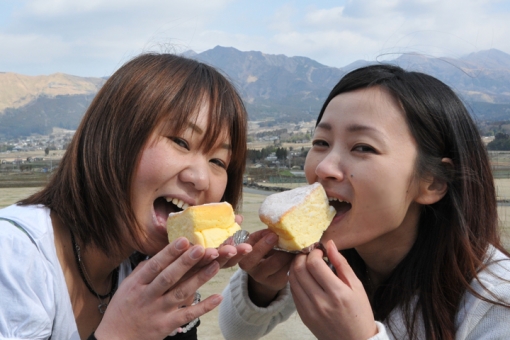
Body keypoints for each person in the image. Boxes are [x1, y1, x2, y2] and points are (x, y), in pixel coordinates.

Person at [219, 64, 510, 339]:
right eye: (321, 142)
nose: (323, 168)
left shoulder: (496, 300)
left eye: (362, 147)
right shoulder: (325, 257)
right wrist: (263, 286)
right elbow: (237, 332)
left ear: (433, 182)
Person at [0, 52, 252, 340]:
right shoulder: (14, 256)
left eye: (218, 162)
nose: (201, 178)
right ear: (114, 138)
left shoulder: (135, 262)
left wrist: (176, 291)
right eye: (181, 142)